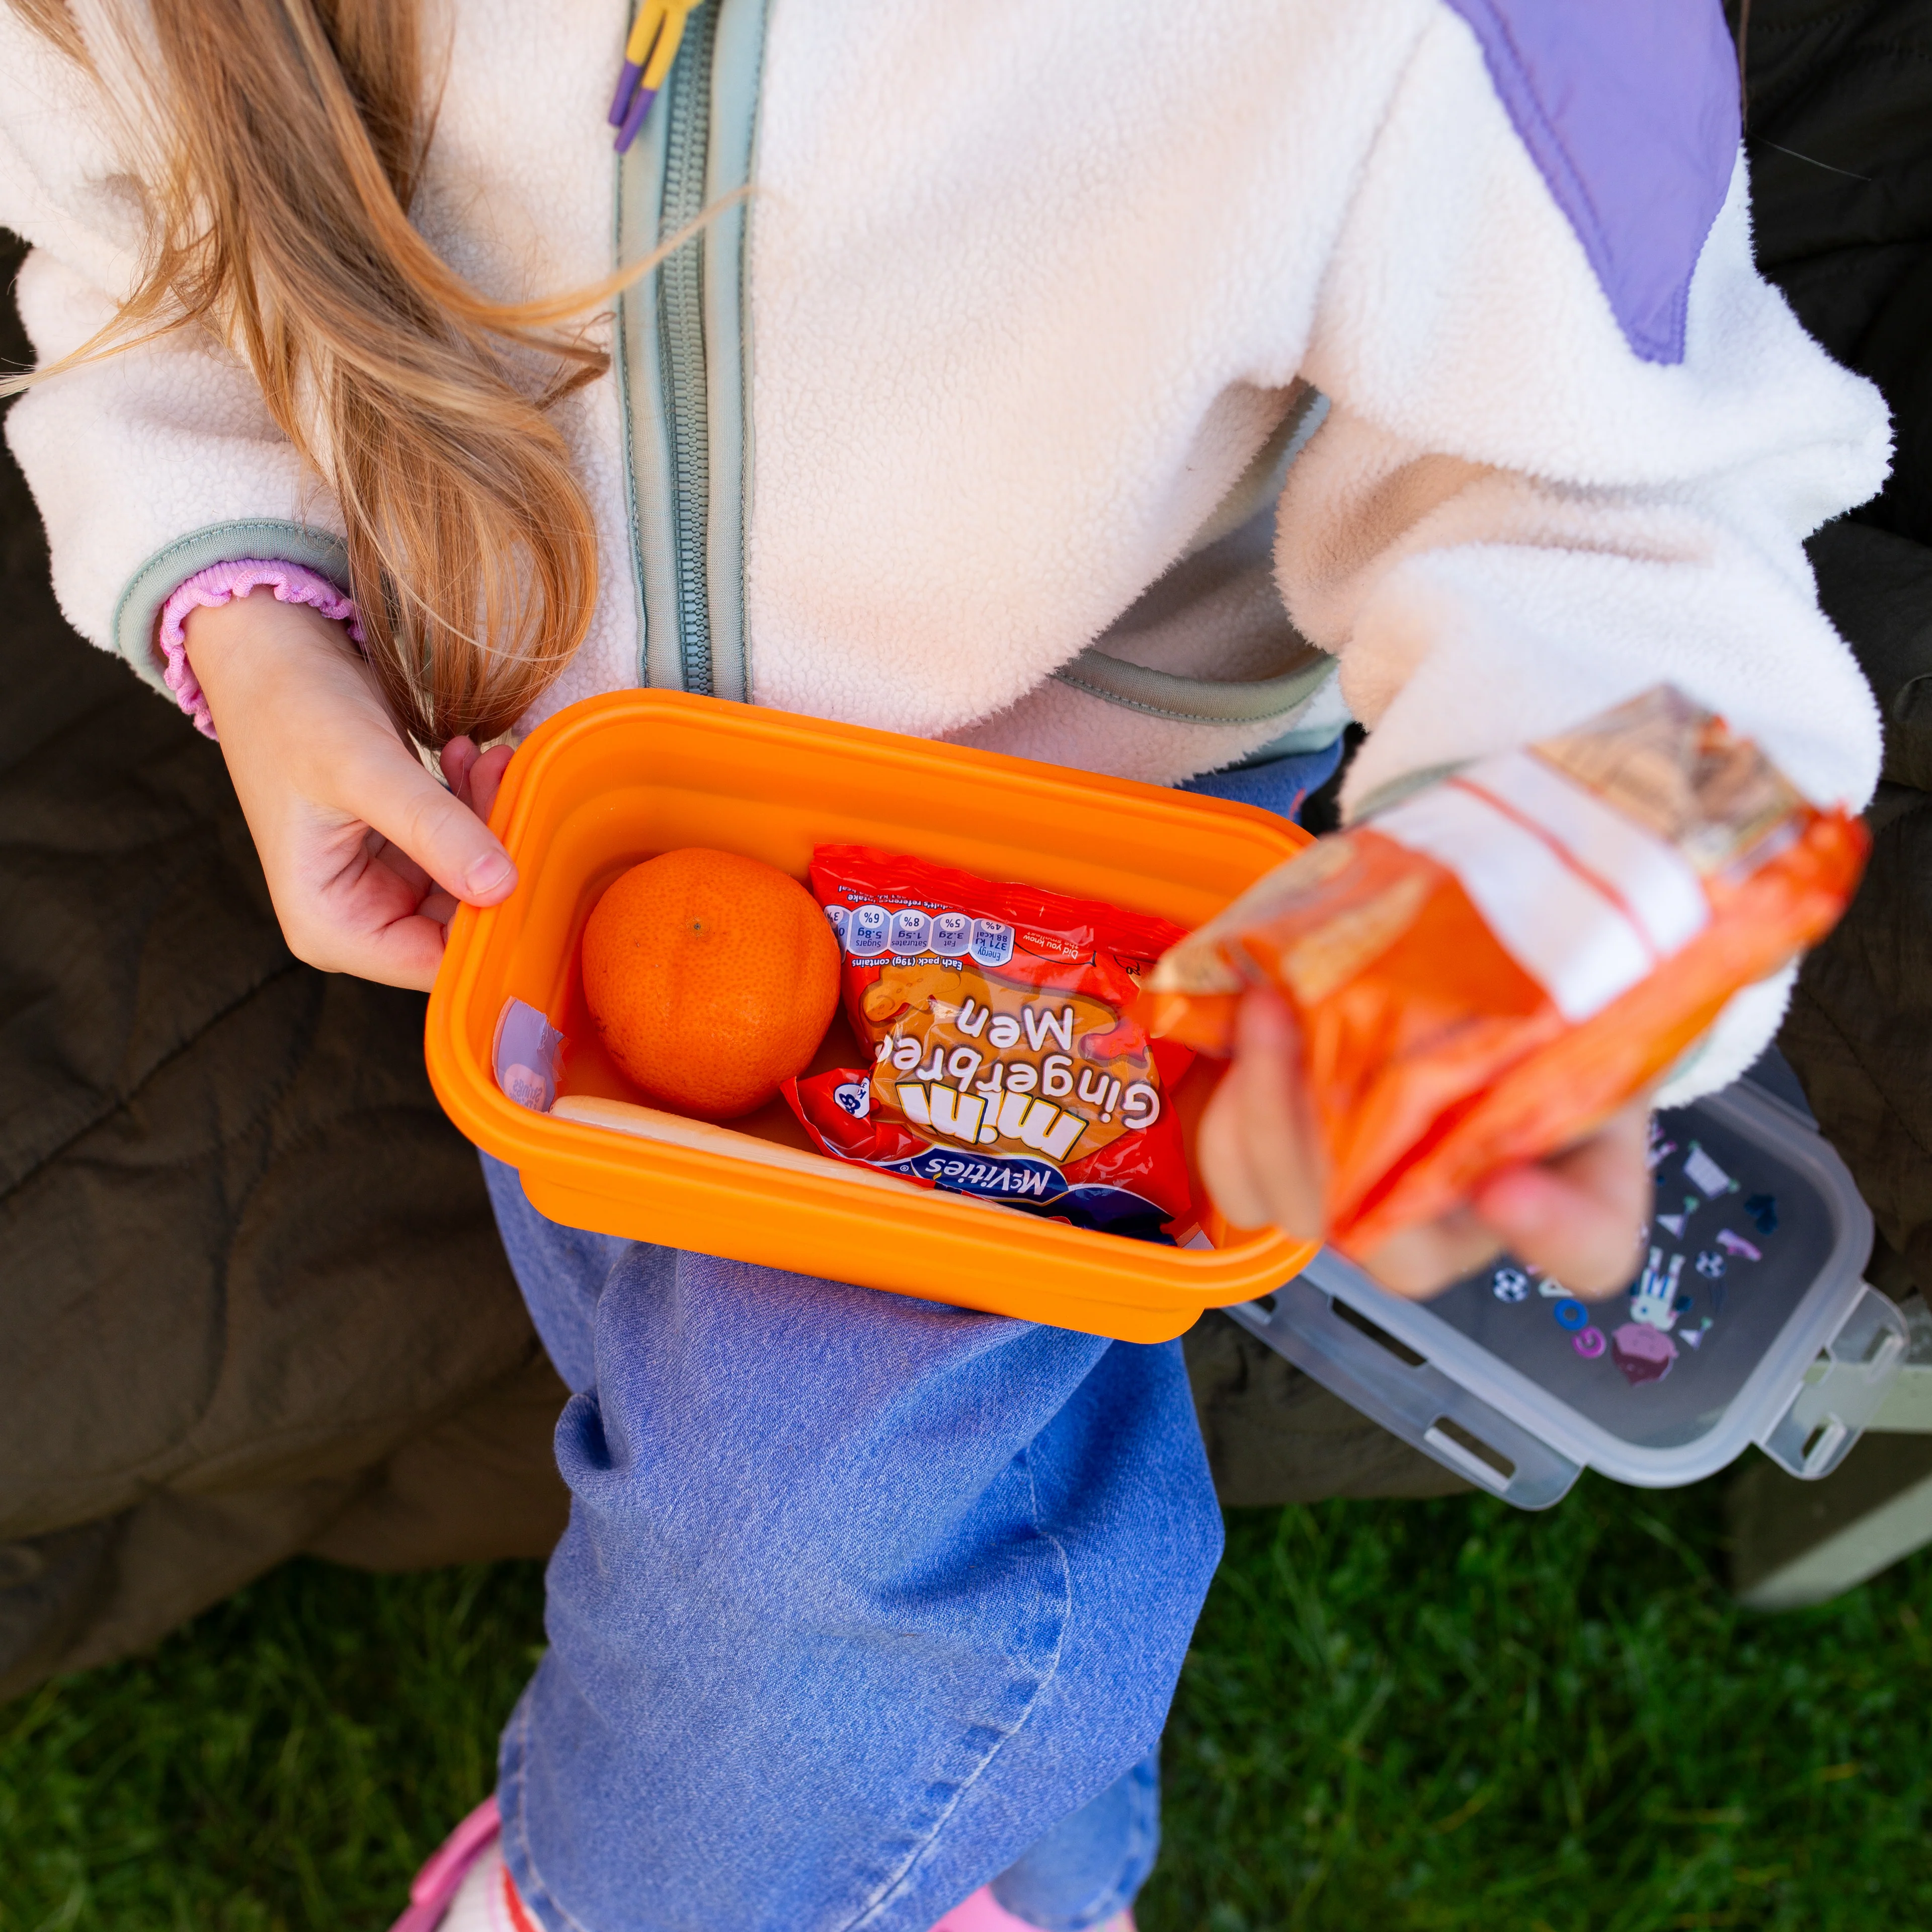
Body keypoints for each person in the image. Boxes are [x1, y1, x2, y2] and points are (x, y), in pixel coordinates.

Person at [0, 3, 1887, 1928]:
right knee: (851, 1463)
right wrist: (255, 623)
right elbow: (132, 195)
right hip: (544, 822)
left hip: (1092, 827)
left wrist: (1526, 924)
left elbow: (1628, 526)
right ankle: (1018, 1878)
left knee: (796, 1555)